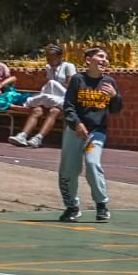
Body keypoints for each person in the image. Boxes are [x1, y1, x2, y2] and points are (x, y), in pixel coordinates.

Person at [58, 45, 121, 222]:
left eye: (106, 58)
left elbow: (115, 109)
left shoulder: (109, 82)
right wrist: (77, 124)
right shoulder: (78, 80)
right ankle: (72, 207)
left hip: (96, 132)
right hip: (75, 131)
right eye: (100, 56)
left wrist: (115, 96)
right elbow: (68, 106)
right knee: (68, 171)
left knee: (93, 163)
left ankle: (102, 206)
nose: (104, 60)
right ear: (88, 60)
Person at [9, 43, 78, 148]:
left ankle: (38, 138)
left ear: (60, 57)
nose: (49, 60)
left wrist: (54, 84)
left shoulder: (68, 66)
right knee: (37, 110)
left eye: (52, 58)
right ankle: (23, 135)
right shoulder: (48, 68)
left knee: (54, 110)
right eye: (48, 58)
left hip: (64, 97)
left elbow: (70, 86)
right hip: (51, 97)